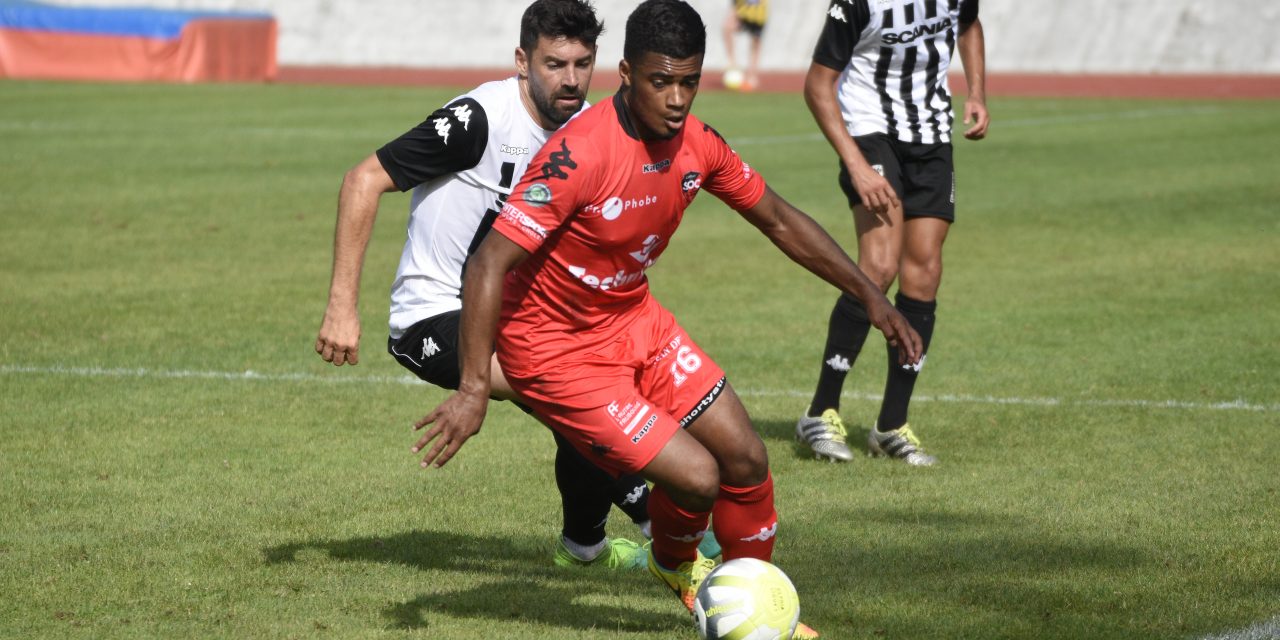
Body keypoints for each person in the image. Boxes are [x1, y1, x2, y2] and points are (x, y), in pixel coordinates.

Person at [412, 1, 922, 636]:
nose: (677, 99)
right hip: (555, 352)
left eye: (690, 81)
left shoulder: (698, 144)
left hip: (634, 320)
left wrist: (871, 295)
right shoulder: (578, 156)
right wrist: (470, 388)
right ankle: (681, 569)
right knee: (699, 479)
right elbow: (488, 264)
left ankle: (752, 611)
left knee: (747, 460)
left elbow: (780, 220)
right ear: (626, 73)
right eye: (661, 81)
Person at [315, 0, 669, 571]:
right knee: (574, 395)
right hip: (433, 318)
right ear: (522, 60)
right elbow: (363, 180)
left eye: (582, 64)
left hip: (515, 318)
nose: (571, 79)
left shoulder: (588, 131)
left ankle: (584, 546)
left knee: (587, 392)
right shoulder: (480, 119)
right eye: (554, 64)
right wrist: (341, 308)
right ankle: (665, 532)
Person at [794, 0, 989, 466]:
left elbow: (969, 24)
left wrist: (977, 92)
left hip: (931, 135)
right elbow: (818, 85)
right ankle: (819, 413)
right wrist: (857, 166)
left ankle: (890, 426)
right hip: (869, 130)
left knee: (924, 273)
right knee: (879, 266)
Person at [720, 0, 767, 91]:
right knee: (727, 27)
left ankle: (752, 75)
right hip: (742, 10)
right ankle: (732, 62)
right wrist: (735, 9)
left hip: (758, 13)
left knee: (756, 43)